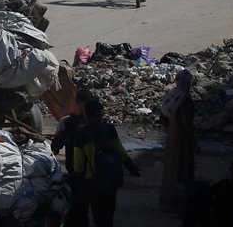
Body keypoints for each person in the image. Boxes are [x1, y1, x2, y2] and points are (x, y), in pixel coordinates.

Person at [72, 99, 141, 227]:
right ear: (100, 113)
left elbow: (79, 164)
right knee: (109, 214)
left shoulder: (81, 134)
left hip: (92, 180)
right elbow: (121, 151)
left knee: (98, 216)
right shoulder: (110, 129)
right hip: (110, 178)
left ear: (86, 113)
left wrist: (79, 184)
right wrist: (131, 167)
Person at [52, 89, 95, 227]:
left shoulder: (94, 123)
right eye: (84, 102)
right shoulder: (67, 122)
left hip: (90, 172)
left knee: (81, 206)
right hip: (77, 172)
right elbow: (56, 146)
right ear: (78, 102)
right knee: (77, 206)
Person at [158, 69, 196, 211]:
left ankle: (167, 199)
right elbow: (186, 124)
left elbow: (162, 116)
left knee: (170, 166)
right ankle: (178, 201)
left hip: (172, 134)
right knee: (182, 168)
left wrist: (169, 129)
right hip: (182, 137)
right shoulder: (185, 99)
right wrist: (193, 143)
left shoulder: (172, 95)